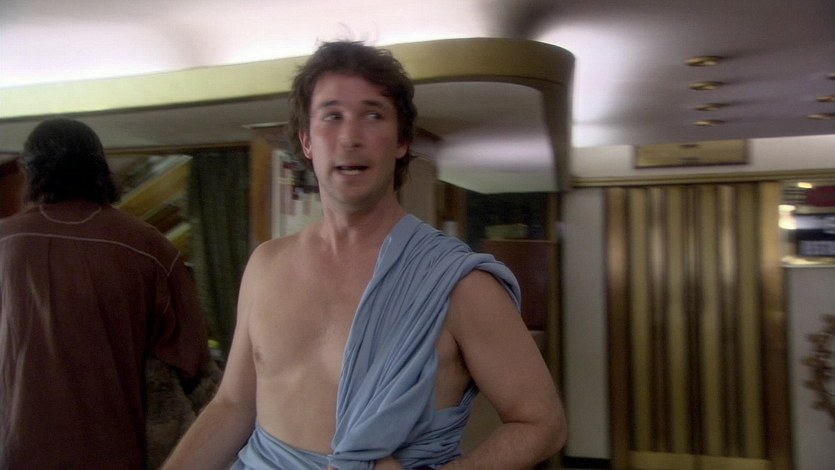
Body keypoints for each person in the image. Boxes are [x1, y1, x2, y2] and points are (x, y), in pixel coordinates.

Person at [164, 40, 566, 470]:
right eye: (332, 116)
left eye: (373, 115)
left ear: (401, 141)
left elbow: (542, 423)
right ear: (307, 142)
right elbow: (233, 406)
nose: (350, 137)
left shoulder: (460, 285)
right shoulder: (266, 266)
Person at [0, 118, 213, 469]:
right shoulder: (148, 246)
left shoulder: (6, 240)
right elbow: (193, 364)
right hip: (114, 451)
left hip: (15, 450)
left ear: (29, 170)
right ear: (101, 169)